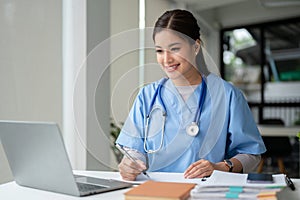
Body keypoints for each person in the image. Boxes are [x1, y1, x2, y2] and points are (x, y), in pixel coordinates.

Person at [116, 9, 266, 181]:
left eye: (174, 49)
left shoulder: (227, 95)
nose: (166, 59)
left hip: (206, 191)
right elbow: (135, 151)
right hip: (155, 190)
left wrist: (220, 167)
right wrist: (130, 164)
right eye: (159, 51)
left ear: (195, 46)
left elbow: (251, 154)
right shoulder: (147, 96)